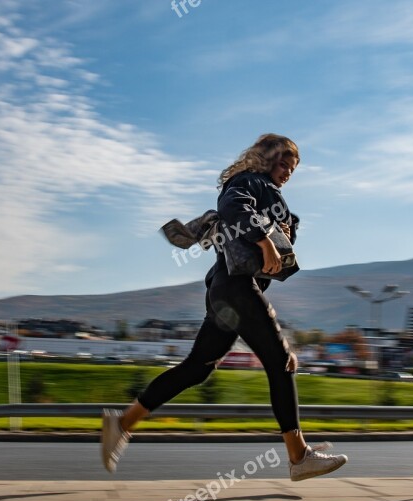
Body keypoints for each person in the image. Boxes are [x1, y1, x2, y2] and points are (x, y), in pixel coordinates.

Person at [100, 133, 348, 481]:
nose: (288, 172)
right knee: (281, 363)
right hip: (235, 289)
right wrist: (267, 241)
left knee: (196, 368)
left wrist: (283, 235)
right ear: (266, 158)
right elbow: (233, 208)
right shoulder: (252, 182)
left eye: (292, 169)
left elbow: (251, 240)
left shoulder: (264, 192)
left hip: (226, 292)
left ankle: (123, 423)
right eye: (283, 164)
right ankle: (299, 455)